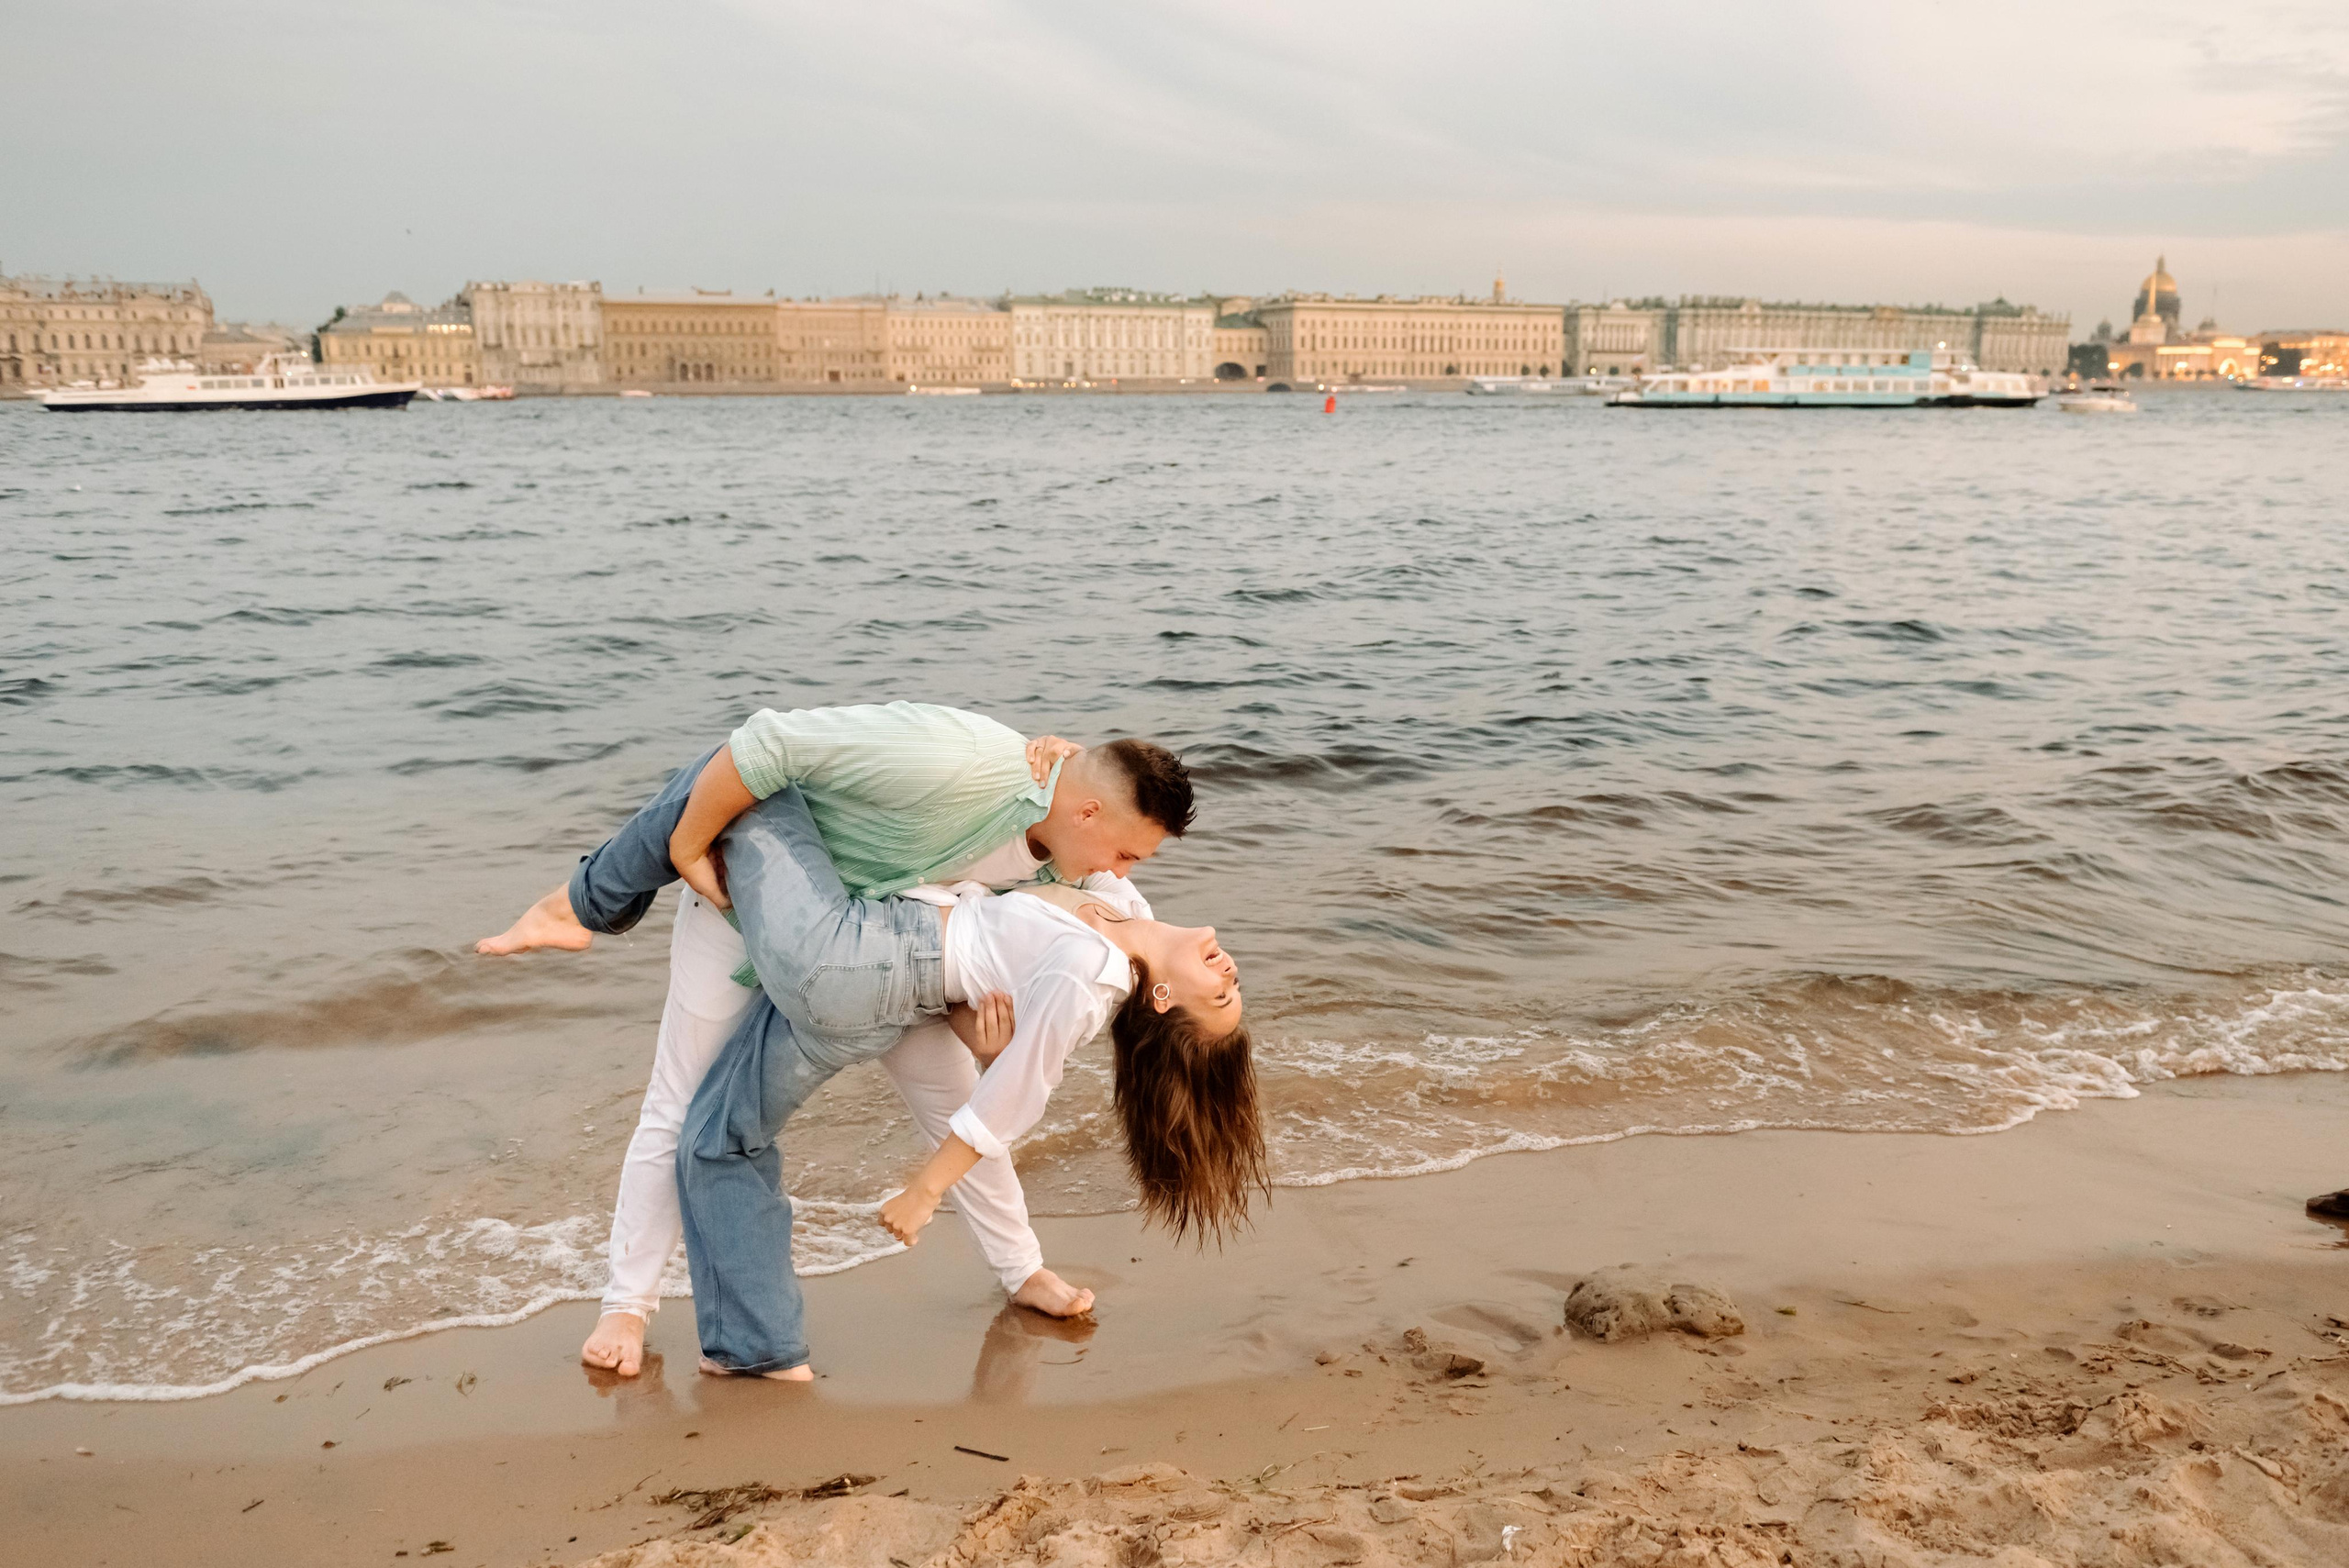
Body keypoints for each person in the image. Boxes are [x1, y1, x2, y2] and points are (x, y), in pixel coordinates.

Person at [477, 701, 1197, 1378]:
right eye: (1126, 853)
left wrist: (977, 1031)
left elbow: (988, 945)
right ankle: (626, 1307)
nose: (1119, 871)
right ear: (1089, 809)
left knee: (959, 1104)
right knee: (678, 1104)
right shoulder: (960, 759)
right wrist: (690, 848)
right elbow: (765, 745)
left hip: (885, 962)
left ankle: (1021, 1268)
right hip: (743, 911)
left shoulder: (1065, 864)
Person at [673, 780, 1263, 1379]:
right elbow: (1073, 839)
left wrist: (924, 1191)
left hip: (883, 971)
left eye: (1220, 996)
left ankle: (736, 1340)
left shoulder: (1092, 975)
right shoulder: (1126, 908)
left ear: (1163, 999)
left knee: (718, 1130)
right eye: (1235, 988)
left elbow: (1013, 1096)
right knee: (723, 1124)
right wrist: (1061, 767)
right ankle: (1021, 1271)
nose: (1231, 973)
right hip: (918, 972)